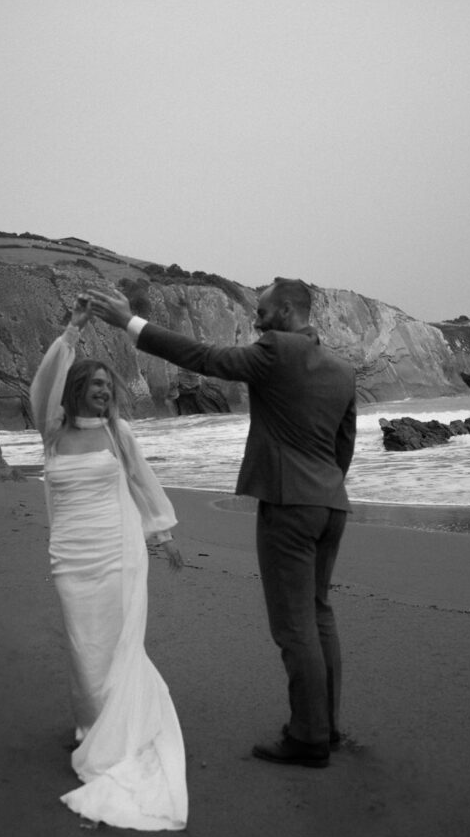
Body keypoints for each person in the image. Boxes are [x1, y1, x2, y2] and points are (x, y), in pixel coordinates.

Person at [89, 278, 356, 769]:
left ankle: (309, 737)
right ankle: (329, 727)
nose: (257, 320)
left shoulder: (276, 350)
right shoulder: (342, 369)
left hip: (289, 504)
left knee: (294, 625)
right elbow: (345, 444)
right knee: (319, 614)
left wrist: (130, 322)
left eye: (263, 312)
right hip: (330, 504)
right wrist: (324, 488)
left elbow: (204, 358)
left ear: (288, 311)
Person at [29, 298, 188, 829]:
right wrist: (72, 331)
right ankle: (91, 725)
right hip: (70, 555)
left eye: (107, 385)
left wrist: (163, 535)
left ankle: (115, 732)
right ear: (76, 388)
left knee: (116, 644)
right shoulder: (53, 432)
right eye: (94, 384)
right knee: (83, 647)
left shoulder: (118, 435)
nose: (103, 391)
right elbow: (43, 386)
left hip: (117, 553)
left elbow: (143, 482)